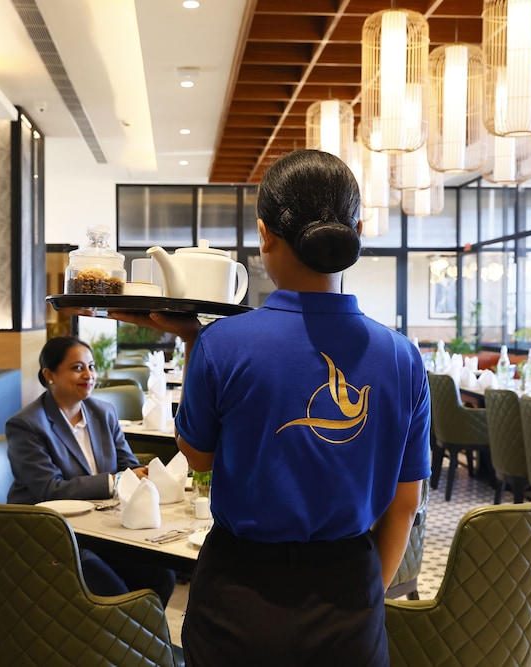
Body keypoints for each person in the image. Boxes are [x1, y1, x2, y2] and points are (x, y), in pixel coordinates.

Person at [111, 149, 431, 666]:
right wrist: (364, 593)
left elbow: (198, 458)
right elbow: (404, 505)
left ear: (264, 235)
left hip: (240, 599)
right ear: (357, 230)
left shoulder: (223, 344)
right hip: (350, 600)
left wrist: (193, 340)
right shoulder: (402, 357)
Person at [5, 335, 176, 606]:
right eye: (77, 368)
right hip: (53, 534)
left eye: (92, 366)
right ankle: (122, 633)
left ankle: (136, 634)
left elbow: (128, 465)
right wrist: (115, 481)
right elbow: (50, 489)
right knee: (112, 588)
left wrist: (146, 474)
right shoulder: (27, 425)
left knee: (162, 576)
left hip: (102, 528)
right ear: (49, 375)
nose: (88, 375)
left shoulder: (103, 412)